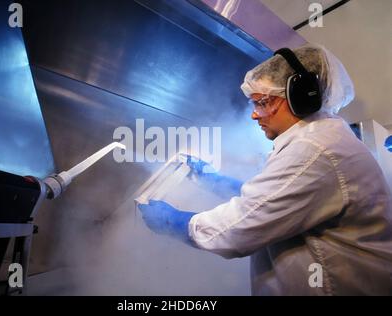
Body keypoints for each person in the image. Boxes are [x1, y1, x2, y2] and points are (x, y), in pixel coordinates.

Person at [138, 44, 392, 295]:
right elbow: (271, 201)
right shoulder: (320, 139)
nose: (254, 115)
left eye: (263, 102)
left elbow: (238, 229)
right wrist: (209, 178)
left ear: (301, 97)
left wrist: (170, 221)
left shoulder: (315, 150)